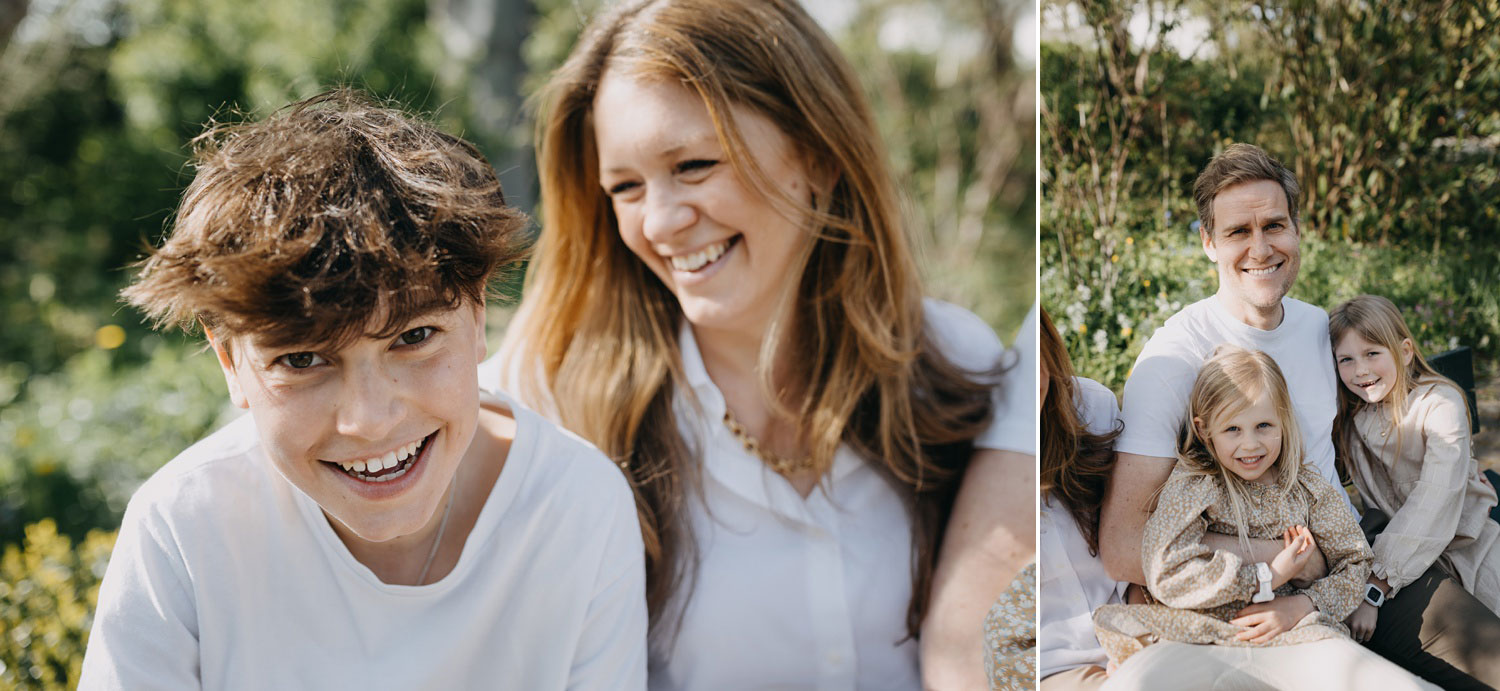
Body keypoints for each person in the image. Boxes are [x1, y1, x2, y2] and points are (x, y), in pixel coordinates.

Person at [483, 1, 1036, 687]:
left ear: (820, 155)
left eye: (693, 164)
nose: (660, 221)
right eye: (624, 187)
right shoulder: (548, 396)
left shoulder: (952, 359)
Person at [79, 90, 647, 689]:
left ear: (478, 319)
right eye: (302, 359)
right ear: (229, 361)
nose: (370, 421)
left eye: (415, 336)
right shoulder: (185, 525)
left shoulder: (576, 506)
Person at [1098, 142, 1500, 688]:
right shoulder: (1173, 362)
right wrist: (1292, 559)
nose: (1260, 247)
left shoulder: (1317, 329)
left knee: (1492, 660)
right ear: (1208, 243)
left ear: (1297, 230)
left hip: (1361, 567)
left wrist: (1446, 454)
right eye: (1239, 231)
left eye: (1275, 225)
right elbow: (1124, 549)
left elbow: (1382, 396)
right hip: (1264, 604)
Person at [1092, 346, 1434, 690]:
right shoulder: (1197, 485)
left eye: (1263, 425)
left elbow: (1355, 561)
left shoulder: (1304, 488)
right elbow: (1165, 569)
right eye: (1233, 430)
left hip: (1294, 632)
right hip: (1205, 635)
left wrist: (1303, 604)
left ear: (1283, 420)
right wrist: (1265, 577)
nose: (1250, 445)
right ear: (1205, 428)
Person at [1329, 296, 1500, 672]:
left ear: (1405, 351)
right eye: (1346, 359)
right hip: (1414, 560)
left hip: (1470, 541)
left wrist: (1375, 587)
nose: (1361, 370)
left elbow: (1434, 500)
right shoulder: (1351, 420)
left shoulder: (1440, 405)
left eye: (1373, 353)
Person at [1032, 307, 1124, 690]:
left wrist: (1134, 643)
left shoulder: (1092, 408)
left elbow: (1136, 537)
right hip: (1050, 666)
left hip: (1133, 632)